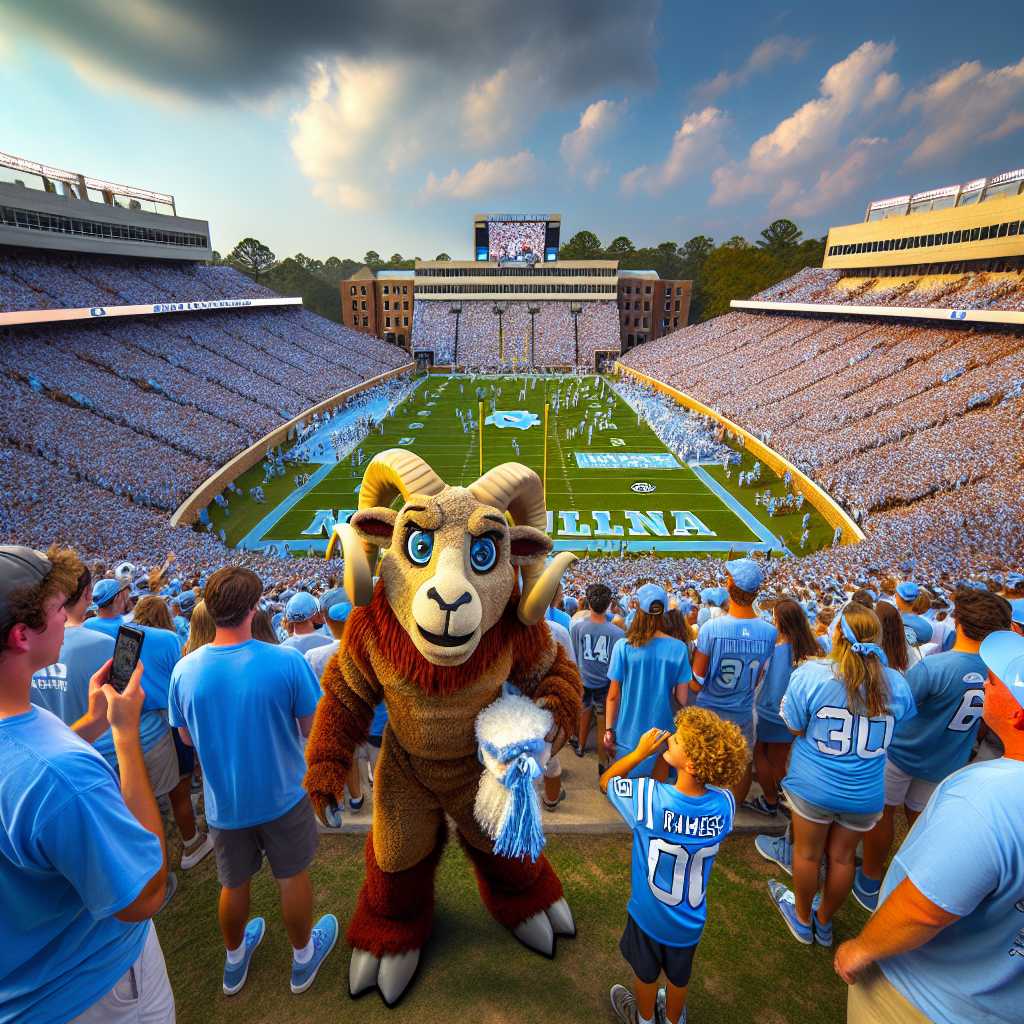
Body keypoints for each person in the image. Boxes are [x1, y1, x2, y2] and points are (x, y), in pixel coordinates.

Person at [0, 545, 172, 1023]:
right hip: (91, 988)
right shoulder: (62, 776)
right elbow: (147, 893)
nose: (67, 620)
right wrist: (124, 732)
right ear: (20, 635)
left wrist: (93, 722)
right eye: (58, 610)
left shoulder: (25, 731)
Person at [835, 628, 1024, 1024]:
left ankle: (868, 881)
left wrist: (861, 948)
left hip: (926, 998)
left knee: (890, 818)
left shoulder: (986, 797)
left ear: (1017, 714)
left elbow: (926, 908)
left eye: (992, 681)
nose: (985, 683)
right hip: (999, 999)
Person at [168, 566, 338, 996]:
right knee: (291, 876)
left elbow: (186, 737)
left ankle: (234, 958)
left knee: (233, 883)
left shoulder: (184, 671)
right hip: (282, 794)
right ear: (254, 608)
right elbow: (308, 727)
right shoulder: (285, 660)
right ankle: (302, 958)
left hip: (225, 801)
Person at [765, 604, 916, 947]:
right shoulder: (898, 683)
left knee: (807, 854)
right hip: (864, 790)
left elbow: (793, 724)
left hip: (814, 783)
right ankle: (824, 920)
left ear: (836, 634)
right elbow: (898, 728)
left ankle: (803, 920)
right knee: (843, 857)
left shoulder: (812, 673)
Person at [855, 588, 1012, 911]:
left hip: (903, 753)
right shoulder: (999, 674)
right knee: (924, 826)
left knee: (882, 814)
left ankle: (870, 880)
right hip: (947, 760)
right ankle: (914, 886)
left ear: (959, 621)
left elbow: (896, 708)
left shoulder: (937, 666)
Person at [601, 708, 747, 1024]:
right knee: (679, 978)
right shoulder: (726, 805)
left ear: (691, 763)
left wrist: (641, 753)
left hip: (648, 914)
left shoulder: (649, 796)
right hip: (689, 920)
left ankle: (643, 1018)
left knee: (645, 973)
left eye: (678, 739)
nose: (671, 737)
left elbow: (607, 780)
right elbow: (712, 796)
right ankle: (672, 1020)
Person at [690, 558, 777, 802]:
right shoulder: (770, 632)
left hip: (710, 709)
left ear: (730, 584)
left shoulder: (711, 629)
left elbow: (697, 681)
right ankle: (731, 812)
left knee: (703, 762)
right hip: (742, 711)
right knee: (741, 765)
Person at [605, 584, 692, 783]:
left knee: (627, 797)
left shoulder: (623, 647)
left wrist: (610, 730)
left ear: (638, 608)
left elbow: (613, 696)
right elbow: (681, 701)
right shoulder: (678, 648)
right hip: (664, 740)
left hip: (628, 738)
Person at [747, 597, 824, 817]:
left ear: (782, 622)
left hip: (774, 714)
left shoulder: (781, 651)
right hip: (796, 715)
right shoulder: (812, 647)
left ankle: (778, 802)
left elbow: (776, 690)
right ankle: (785, 800)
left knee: (766, 756)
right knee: (777, 759)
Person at [571, 582, 625, 772]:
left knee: (584, 711)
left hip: (584, 680)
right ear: (609, 604)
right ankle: (603, 764)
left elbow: (576, 654)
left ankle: (580, 746)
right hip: (605, 683)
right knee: (604, 722)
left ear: (588, 603)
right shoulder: (618, 633)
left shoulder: (577, 627)